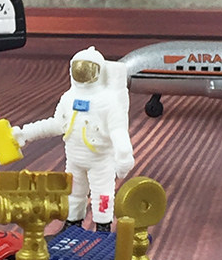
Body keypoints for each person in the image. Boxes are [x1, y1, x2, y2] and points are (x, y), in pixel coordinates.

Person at [12, 47, 134, 231]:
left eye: (87, 67)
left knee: (102, 195)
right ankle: (73, 223)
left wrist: (123, 154)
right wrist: (25, 133)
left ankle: (103, 227)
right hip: (74, 159)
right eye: (79, 66)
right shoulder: (68, 98)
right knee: (74, 193)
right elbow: (57, 124)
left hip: (100, 161)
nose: (82, 71)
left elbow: (118, 131)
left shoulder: (108, 101)